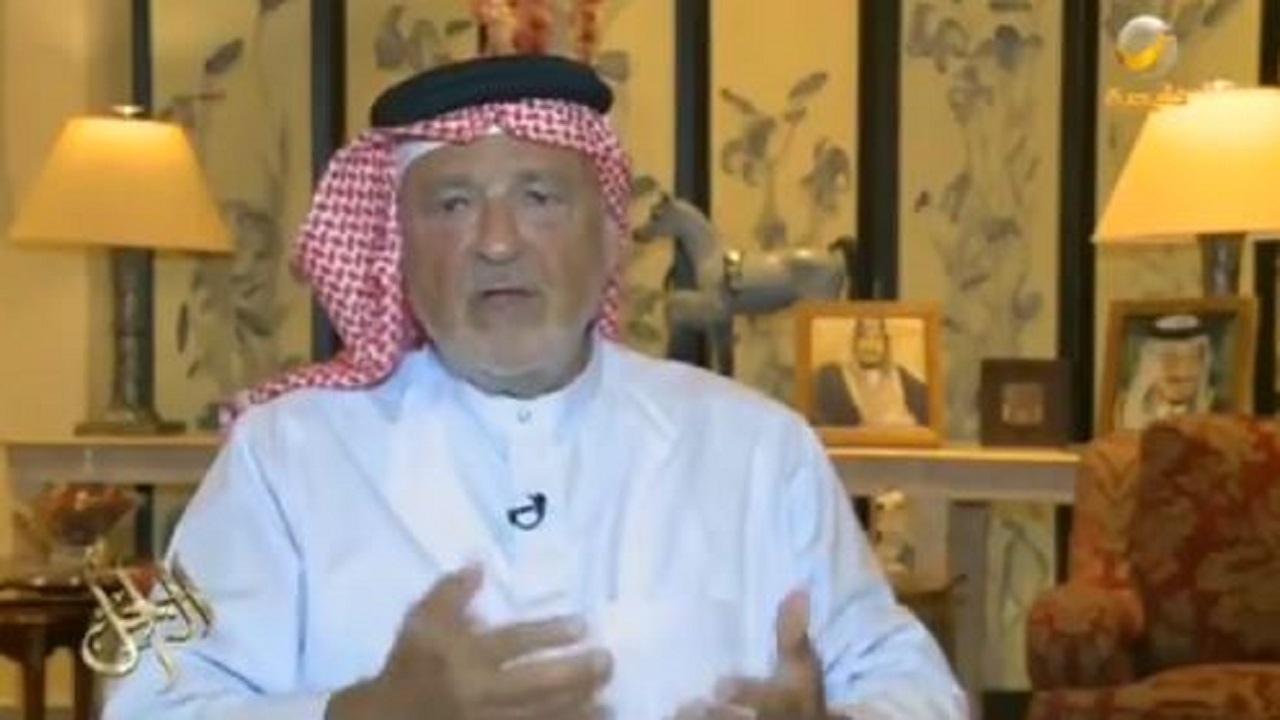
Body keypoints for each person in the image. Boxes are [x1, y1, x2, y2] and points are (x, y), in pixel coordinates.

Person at [101, 50, 965, 720]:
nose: (498, 241)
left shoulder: (759, 449)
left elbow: (918, 689)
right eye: (452, 205)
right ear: (397, 245)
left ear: (610, 235)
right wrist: (364, 714)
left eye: (541, 197)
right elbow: (141, 700)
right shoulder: (277, 458)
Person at [812, 317, 930, 428]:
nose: (870, 346)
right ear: (854, 342)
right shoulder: (831, 378)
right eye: (864, 337)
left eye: (877, 338)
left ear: (886, 344)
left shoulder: (903, 378)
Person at [1114, 313, 1221, 430]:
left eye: (1192, 357)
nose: (1182, 371)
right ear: (1150, 362)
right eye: (1171, 357)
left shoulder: (1217, 409)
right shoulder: (1125, 408)